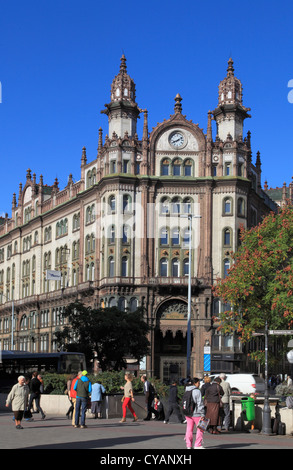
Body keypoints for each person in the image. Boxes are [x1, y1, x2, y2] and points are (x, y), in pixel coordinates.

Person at [184, 378, 206, 449]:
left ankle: (188, 445)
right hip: (197, 413)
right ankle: (198, 445)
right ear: (195, 383)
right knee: (200, 428)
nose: (199, 384)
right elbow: (200, 403)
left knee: (189, 429)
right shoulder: (197, 391)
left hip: (188, 413)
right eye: (198, 383)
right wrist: (202, 413)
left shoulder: (186, 390)